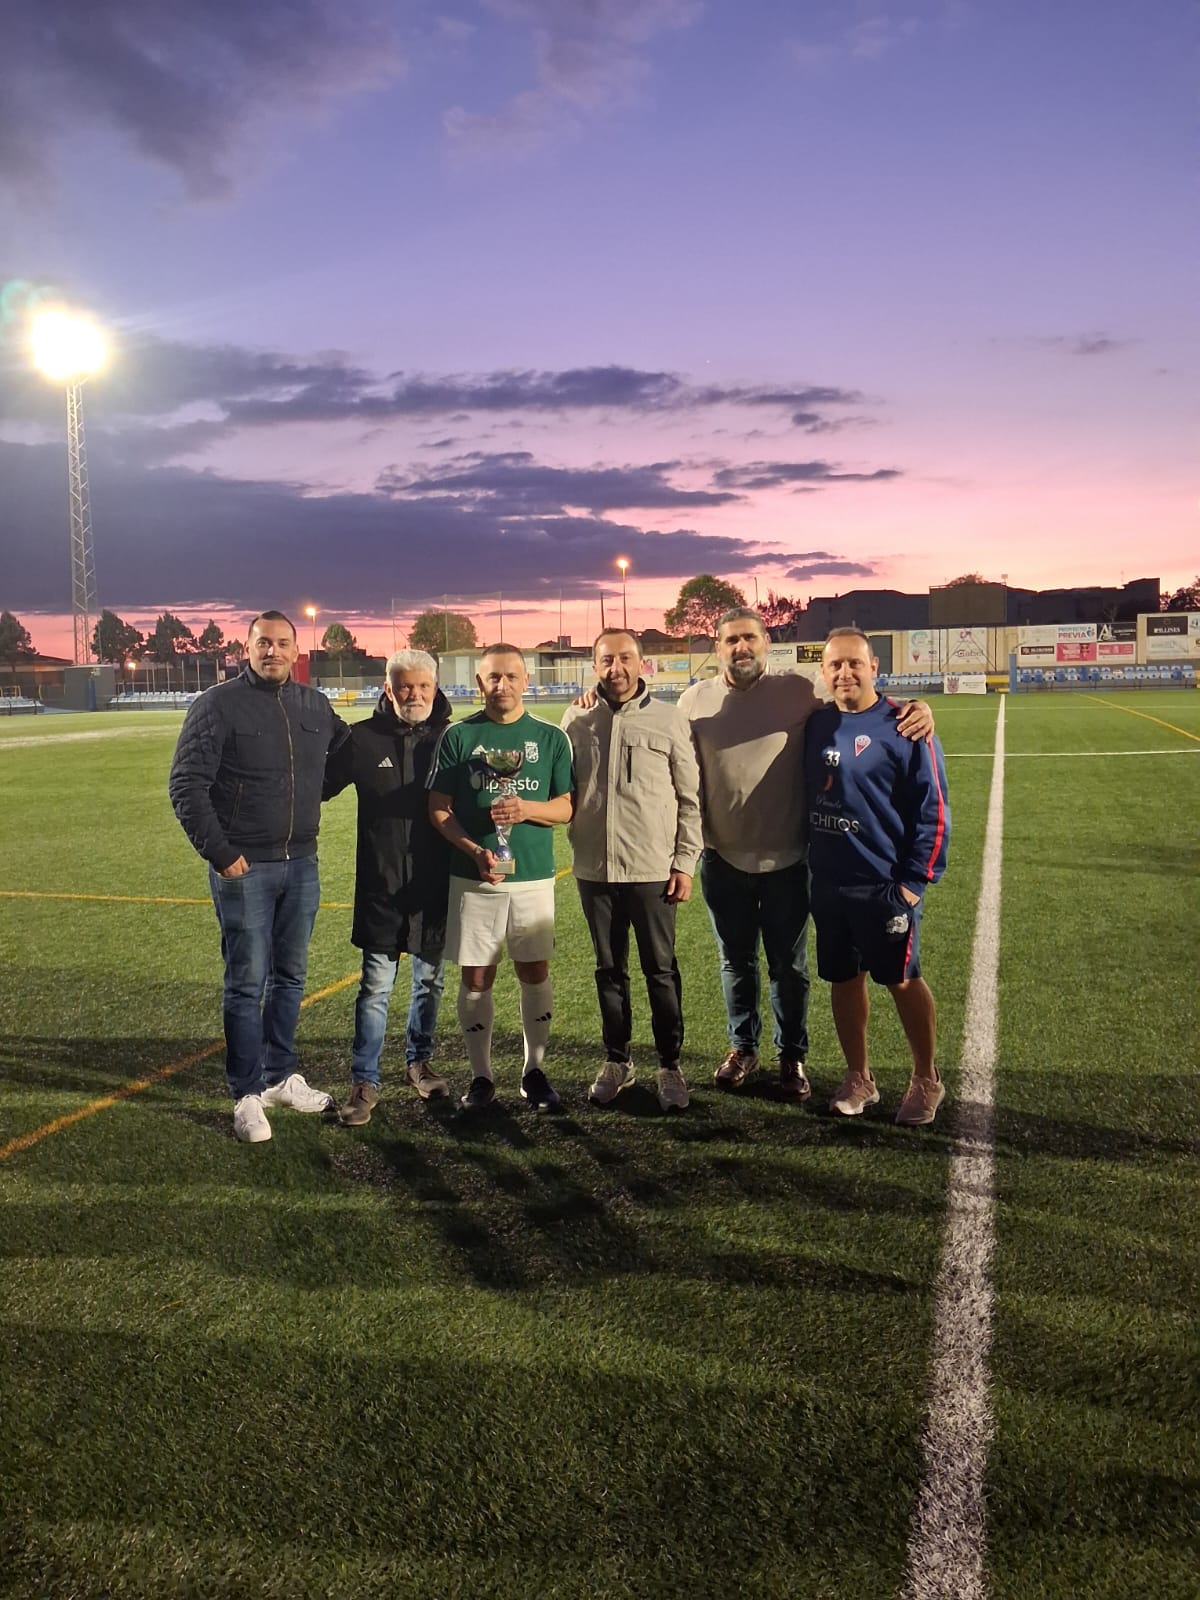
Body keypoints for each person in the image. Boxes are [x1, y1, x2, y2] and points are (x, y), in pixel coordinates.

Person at [679, 608, 933, 1102]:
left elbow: (859, 697)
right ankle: (742, 1048)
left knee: (788, 968)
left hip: (789, 861)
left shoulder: (798, 691)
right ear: (717, 647)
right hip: (722, 859)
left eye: (750, 637)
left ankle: (792, 1055)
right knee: (735, 963)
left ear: (766, 642)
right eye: (731, 640)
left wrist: (916, 706)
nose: (741, 648)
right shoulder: (692, 701)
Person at [169, 610, 349, 1143]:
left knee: (290, 977)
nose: (273, 651)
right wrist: (221, 852)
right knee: (246, 983)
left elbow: (343, 760)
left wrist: (304, 803)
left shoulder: (314, 704)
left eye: (283, 643)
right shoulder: (217, 704)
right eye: (262, 643)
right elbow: (186, 785)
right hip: (243, 866)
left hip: (302, 861)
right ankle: (246, 1092)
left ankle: (281, 1076)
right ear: (245, 649)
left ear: (297, 650)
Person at [805, 628, 950, 1125]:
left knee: (902, 980)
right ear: (823, 673)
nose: (845, 673)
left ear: (874, 668)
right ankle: (859, 1077)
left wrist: (913, 883)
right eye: (835, 666)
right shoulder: (815, 723)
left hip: (886, 886)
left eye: (854, 664)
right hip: (827, 884)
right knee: (845, 980)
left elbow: (933, 809)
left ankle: (927, 1078)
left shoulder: (904, 724)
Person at [428, 644, 573, 1112]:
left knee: (534, 970)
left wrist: (526, 809)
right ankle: (482, 1077)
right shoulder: (458, 736)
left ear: (526, 681)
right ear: (479, 683)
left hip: (532, 877)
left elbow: (566, 808)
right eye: (493, 678)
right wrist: (474, 850)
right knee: (476, 976)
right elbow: (438, 808)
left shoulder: (550, 738)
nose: (502, 685)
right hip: (473, 879)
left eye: (511, 676)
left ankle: (534, 1070)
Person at [562, 629, 702, 1113]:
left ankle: (670, 1064)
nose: (615, 667)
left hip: (651, 870)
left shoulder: (669, 719)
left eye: (625, 658)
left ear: (642, 664)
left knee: (660, 971)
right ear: (594, 664)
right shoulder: (576, 717)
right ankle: (617, 1060)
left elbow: (690, 799)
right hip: (594, 870)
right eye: (606, 659)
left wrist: (685, 861)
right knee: (608, 971)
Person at [322, 649, 453, 1126]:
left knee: (430, 981)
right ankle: (365, 1079)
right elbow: (316, 787)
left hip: (435, 887)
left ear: (435, 688)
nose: (413, 695)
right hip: (380, 888)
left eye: (422, 686)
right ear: (388, 687)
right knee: (375, 987)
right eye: (404, 686)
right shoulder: (361, 739)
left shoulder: (451, 738)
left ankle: (419, 1062)